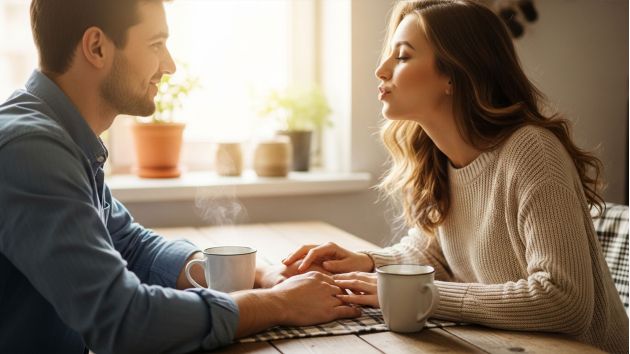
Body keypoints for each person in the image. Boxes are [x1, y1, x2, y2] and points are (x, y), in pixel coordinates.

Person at [0, 1, 359, 353]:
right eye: (156, 45)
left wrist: (257, 275)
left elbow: (130, 245)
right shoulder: (31, 151)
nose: (169, 66)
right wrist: (276, 304)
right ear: (97, 47)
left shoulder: (58, 137)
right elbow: (123, 321)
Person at [281, 1, 629, 353]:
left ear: (454, 75)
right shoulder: (441, 159)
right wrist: (368, 262)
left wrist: (418, 295)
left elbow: (563, 301)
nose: (381, 70)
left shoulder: (531, 152)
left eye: (402, 57)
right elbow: (435, 256)